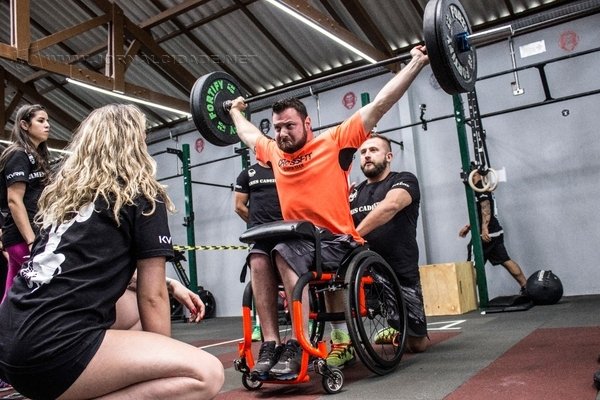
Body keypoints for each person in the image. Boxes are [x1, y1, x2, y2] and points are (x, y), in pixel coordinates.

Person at [228, 45, 429, 380]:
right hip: (297, 242)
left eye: (289, 126)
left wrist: (417, 62)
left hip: (336, 243)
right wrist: (234, 110)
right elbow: (249, 134)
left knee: (281, 251)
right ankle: (271, 345)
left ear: (307, 123)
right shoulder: (274, 151)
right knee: (258, 257)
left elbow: (381, 104)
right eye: (277, 128)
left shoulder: (335, 142)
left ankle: (298, 344)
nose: (281, 134)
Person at [0, 104, 224, 399]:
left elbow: (82, 270)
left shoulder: (63, 199)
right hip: (51, 353)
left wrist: (170, 285)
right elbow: (151, 296)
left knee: (131, 309)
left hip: (10, 343)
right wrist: (161, 360)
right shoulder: (143, 194)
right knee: (205, 374)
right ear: (134, 143)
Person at [348, 135, 428, 356]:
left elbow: (391, 205)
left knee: (417, 346)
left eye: (373, 150)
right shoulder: (354, 193)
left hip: (399, 268)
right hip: (365, 271)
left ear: (389, 156)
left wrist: (354, 234)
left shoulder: (404, 179)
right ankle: (341, 341)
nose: (367, 156)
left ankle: (397, 330)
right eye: (363, 153)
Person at [0, 104, 51, 303]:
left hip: (32, 235)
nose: (47, 125)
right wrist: (31, 241)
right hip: (23, 238)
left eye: (47, 121)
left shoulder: (38, 157)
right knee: (42, 289)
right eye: (41, 121)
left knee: (11, 290)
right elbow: (14, 200)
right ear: (24, 125)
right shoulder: (18, 155)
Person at [234, 160, 283, 350]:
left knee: (292, 268)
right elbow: (239, 206)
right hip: (261, 236)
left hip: (289, 232)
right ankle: (266, 334)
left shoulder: (285, 166)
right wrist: (258, 224)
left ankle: (302, 332)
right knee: (258, 266)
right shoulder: (248, 173)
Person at [458, 169, 527, 294]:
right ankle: (526, 287)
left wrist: (485, 229)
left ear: (475, 174)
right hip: (495, 232)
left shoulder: (480, 188)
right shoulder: (480, 188)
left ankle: (469, 297)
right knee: (505, 260)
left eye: (466, 174)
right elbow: (480, 213)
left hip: (485, 235)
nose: (464, 177)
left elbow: (486, 208)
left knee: (472, 266)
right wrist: (469, 227)